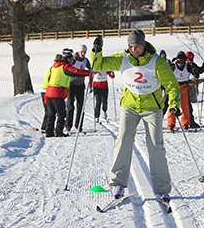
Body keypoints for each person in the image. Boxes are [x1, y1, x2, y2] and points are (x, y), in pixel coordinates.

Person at [91, 29, 180, 202]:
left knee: (155, 145)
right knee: (123, 140)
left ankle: (162, 189)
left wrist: (174, 105)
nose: (134, 50)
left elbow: (172, 86)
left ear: (144, 45)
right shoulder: (123, 58)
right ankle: (118, 183)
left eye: (137, 46)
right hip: (129, 107)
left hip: (152, 108)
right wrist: (97, 51)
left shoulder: (157, 62)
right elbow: (97, 66)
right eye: (131, 46)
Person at [44, 49, 90, 137]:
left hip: (49, 92)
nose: (73, 60)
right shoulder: (65, 66)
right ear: (68, 59)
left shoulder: (56, 65)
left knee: (51, 114)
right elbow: (77, 72)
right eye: (72, 58)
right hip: (57, 93)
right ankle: (58, 131)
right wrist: (89, 73)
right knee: (61, 113)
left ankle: (49, 132)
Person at [66, 44, 91, 132]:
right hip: (71, 85)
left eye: (84, 52)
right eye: (82, 52)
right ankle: (68, 126)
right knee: (70, 106)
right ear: (78, 51)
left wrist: (91, 72)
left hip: (81, 85)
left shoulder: (85, 60)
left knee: (80, 106)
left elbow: (90, 69)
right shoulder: (73, 59)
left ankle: (79, 125)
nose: (83, 54)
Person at [167, 51, 194, 132]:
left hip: (184, 87)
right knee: (173, 105)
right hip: (174, 87)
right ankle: (171, 123)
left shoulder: (188, 66)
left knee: (185, 106)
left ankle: (185, 123)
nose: (181, 64)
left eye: (182, 62)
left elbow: (196, 71)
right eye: (179, 62)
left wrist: (196, 71)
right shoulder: (173, 66)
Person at [40, 53, 63, 133]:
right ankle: (45, 127)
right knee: (49, 110)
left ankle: (46, 127)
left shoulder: (52, 66)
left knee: (49, 110)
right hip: (47, 90)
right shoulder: (54, 68)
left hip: (46, 89)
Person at [185, 51, 204, 128]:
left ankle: (190, 121)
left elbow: (199, 71)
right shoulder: (183, 65)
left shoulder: (192, 64)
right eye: (188, 59)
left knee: (188, 105)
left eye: (191, 59)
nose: (189, 61)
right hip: (179, 86)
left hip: (186, 87)